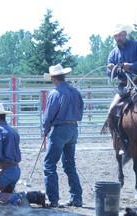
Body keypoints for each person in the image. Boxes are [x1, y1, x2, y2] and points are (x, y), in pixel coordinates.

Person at [0, 103, 45, 206]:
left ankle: (18, 199)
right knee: (4, 195)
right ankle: (34, 196)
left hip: (6, 173)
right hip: (15, 170)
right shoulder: (13, 131)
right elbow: (11, 155)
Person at [42, 64, 84, 208]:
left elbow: (48, 115)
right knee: (70, 165)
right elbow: (81, 109)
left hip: (60, 129)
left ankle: (53, 199)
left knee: (49, 165)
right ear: (64, 76)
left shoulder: (55, 93)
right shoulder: (75, 92)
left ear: (53, 78)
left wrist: (45, 129)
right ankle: (76, 197)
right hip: (73, 128)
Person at [106, 24, 137, 155]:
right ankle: (120, 139)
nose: (118, 38)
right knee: (112, 109)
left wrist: (129, 66)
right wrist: (112, 68)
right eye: (115, 36)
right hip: (124, 87)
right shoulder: (113, 53)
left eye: (120, 35)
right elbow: (108, 73)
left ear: (125, 34)